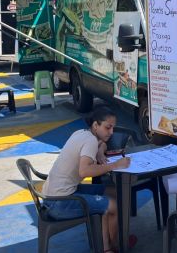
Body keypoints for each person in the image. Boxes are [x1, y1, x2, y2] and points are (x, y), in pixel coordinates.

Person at [42, 107, 133, 252]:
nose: (111, 132)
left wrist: (100, 150)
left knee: (112, 191)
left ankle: (106, 243)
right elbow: (84, 170)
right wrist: (115, 165)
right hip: (59, 203)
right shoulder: (90, 141)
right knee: (114, 206)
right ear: (96, 125)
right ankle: (116, 245)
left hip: (51, 197)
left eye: (113, 128)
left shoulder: (81, 133)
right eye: (108, 127)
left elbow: (99, 143)